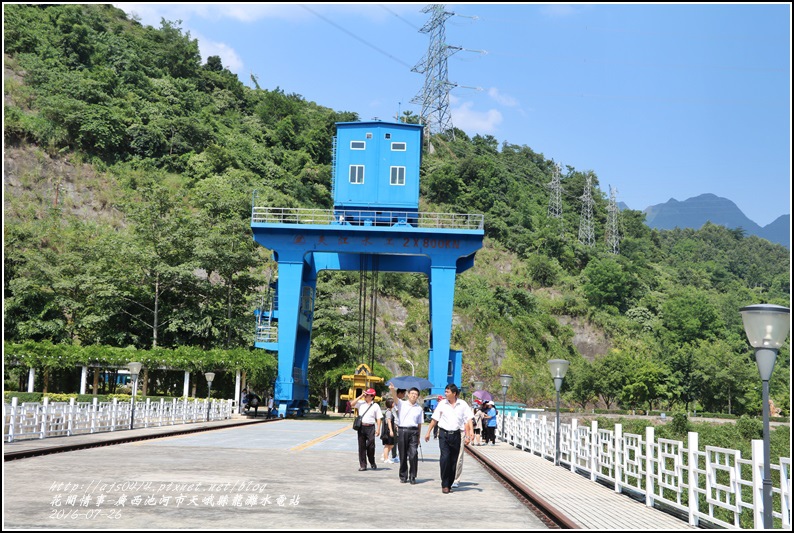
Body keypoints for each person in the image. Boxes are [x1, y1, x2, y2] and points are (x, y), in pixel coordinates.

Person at [424, 384, 473, 494]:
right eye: (445, 392)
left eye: (447, 392)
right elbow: (435, 419)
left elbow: (468, 419)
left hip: (456, 434)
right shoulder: (442, 404)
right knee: (445, 458)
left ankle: (450, 482)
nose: (445, 394)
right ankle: (445, 484)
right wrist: (428, 432)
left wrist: (470, 434)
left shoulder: (463, 404)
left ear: (454, 393)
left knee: (453, 460)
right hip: (443, 434)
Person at [389, 383, 423, 484]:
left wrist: (418, 437)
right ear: (408, 394)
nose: (413, 395)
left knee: (413, 454)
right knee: (403, 455)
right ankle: (403, 475)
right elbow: (395, 398)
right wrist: (392, 390)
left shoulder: (419, 409)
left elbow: (419, 424)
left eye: (416, 394)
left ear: (418, 396)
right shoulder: (402, 404)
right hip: (402, 430)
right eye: (412, 393)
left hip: (413, 431)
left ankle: (413, 476)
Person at [351, 388, 382, 471]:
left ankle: (372, 461)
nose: (366, 396)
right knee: (361, 447)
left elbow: (379, 418)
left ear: (372, 396)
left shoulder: (376, 406)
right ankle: (363, 465)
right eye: (365, 394)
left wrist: (378, 429)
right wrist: (360, 396)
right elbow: (352, 404)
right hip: (361, 427)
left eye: (367, 395)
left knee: (371, 446)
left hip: (370, 427)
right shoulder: (361, 403)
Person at [391, 389, 406, 461]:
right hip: (396, 423)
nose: (404, 395)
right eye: (403, 394)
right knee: (395, 441)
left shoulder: (401, 402)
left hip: (399, 423)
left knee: (399, 440)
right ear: (399, 393)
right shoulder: (396, 402)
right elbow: (398, 411)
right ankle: (394, 455)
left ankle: (399, 455)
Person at [380, 398, 397, 463]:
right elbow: (389, 422)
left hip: (390, 429)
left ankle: (385, 455)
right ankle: (386, 458)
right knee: (387, 444)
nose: (394, 404)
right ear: (391, 404)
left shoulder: (390, 411)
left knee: (391, 444)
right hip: (388, 430)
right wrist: (391, 430)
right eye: (393, 403)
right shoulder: (388, 412)